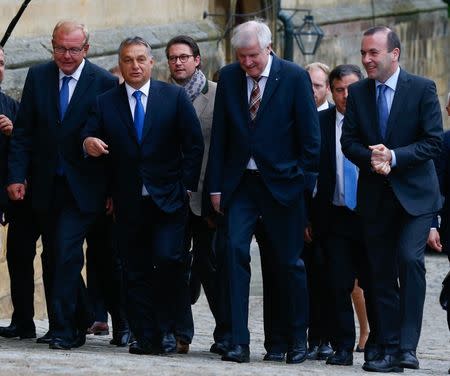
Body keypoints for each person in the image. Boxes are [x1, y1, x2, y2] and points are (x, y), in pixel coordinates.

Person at [206, 20, 320, 363]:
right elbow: (220, 136)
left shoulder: (295, 76)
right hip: (240, 185)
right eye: (241, 57)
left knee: (288, 263)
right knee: (233, 254)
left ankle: (293, 339)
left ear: (268, 48)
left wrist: (302, 184)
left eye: (253, 56)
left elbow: (310, 138)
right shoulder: (228, 77)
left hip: (283, 186)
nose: (247, 63)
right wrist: (215, 186)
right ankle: (238, 342)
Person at [82, 36, 204, 356]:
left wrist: (185, 188)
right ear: (120, 65)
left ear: (151, 63)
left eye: (140, 59)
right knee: (134, 270)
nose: (134, 65)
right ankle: (144, 334)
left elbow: (193, 146)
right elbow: (89, 135)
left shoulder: (174, 97)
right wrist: (89, 143)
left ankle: (166, 331)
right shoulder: (105, 102)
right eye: (127, 60)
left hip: (168, 200)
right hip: (129, 202)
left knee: (166, 261)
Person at [7, 20, 118, 350]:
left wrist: (112, 191)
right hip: (44, 184)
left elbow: (116, 139)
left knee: (74, 255)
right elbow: (24, 131)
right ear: (51, 44)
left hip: (85, 185)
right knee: (56, 255)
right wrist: (16, 175)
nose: (66, 56)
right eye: (60, 48)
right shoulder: (38, 75)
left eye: (73, 49)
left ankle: (72, 328)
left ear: (87, 48)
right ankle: (69, 321)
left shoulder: (104, 81)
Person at [341, 26, 443, 372]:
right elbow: (349, 141)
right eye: (363, 53)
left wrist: (394, 157)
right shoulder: (357, 93)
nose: (367, 59)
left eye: (374, 53)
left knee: (409, 260)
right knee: (379, 271)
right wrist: (370, 158)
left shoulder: (422, 89)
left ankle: (408, 346)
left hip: (416, 196)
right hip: (376, 197)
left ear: (394, 54)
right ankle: (386, 346)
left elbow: (433, 142)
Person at [165, 34, 225, 354]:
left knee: (208, 264)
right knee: (173, 262)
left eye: (184, 57)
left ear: (197, 59)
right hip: (172, 196)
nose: (178, 62)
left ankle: (225, 330)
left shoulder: (217, 95)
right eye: (173, 58)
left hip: (206, 195)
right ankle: (180, 332)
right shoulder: (162, 96)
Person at [313, 64, 370, 366]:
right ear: (332, 92)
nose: (347, 95)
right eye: (339, 90)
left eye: (352, 89)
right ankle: (343, 348)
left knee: (374, 282)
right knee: (337, 284)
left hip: (370, 216)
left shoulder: (375, 121)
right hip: (334, 215)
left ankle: (380, 345)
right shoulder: (319, 122)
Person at [0, 46, 40, 341]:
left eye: (1, 63)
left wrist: (14, 132)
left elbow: (30, 146)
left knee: (19, 255)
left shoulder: (11, 106)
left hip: (15, 195)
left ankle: (23, 320)